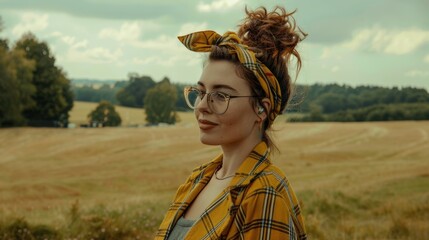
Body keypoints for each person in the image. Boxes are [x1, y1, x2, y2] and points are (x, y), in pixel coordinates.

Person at [156, 5, 307, 240]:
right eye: (201, 92)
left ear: (261, 109)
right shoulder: (196, 180)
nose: (202, 106)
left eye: (221, 95)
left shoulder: (264, 192)